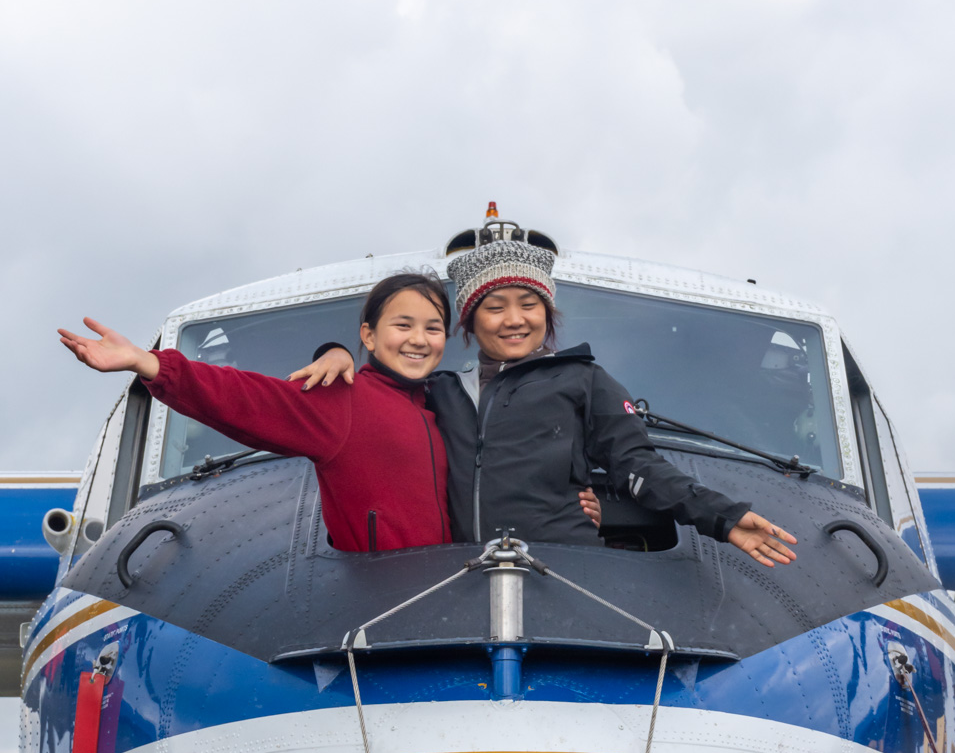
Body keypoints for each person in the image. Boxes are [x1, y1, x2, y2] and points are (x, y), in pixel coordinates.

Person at [294, 241, 797, 568]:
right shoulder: (440, 391)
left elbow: (637, 464)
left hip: (565, 568)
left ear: (547, 313)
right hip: (460, 574)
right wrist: (335, 352)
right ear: (470, 323)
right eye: (495, 307)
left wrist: (723, 516)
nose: (514, 319)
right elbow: (381, 388)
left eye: (529, 305)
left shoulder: (584, 379)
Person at [59, 274, 455, 553]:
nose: (419, 339)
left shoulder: (448, 406)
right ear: (368, 335)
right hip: (387, 610)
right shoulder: (343, 400)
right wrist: (149, 363)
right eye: (403, 325)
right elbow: (248, 399)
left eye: (433, 328)